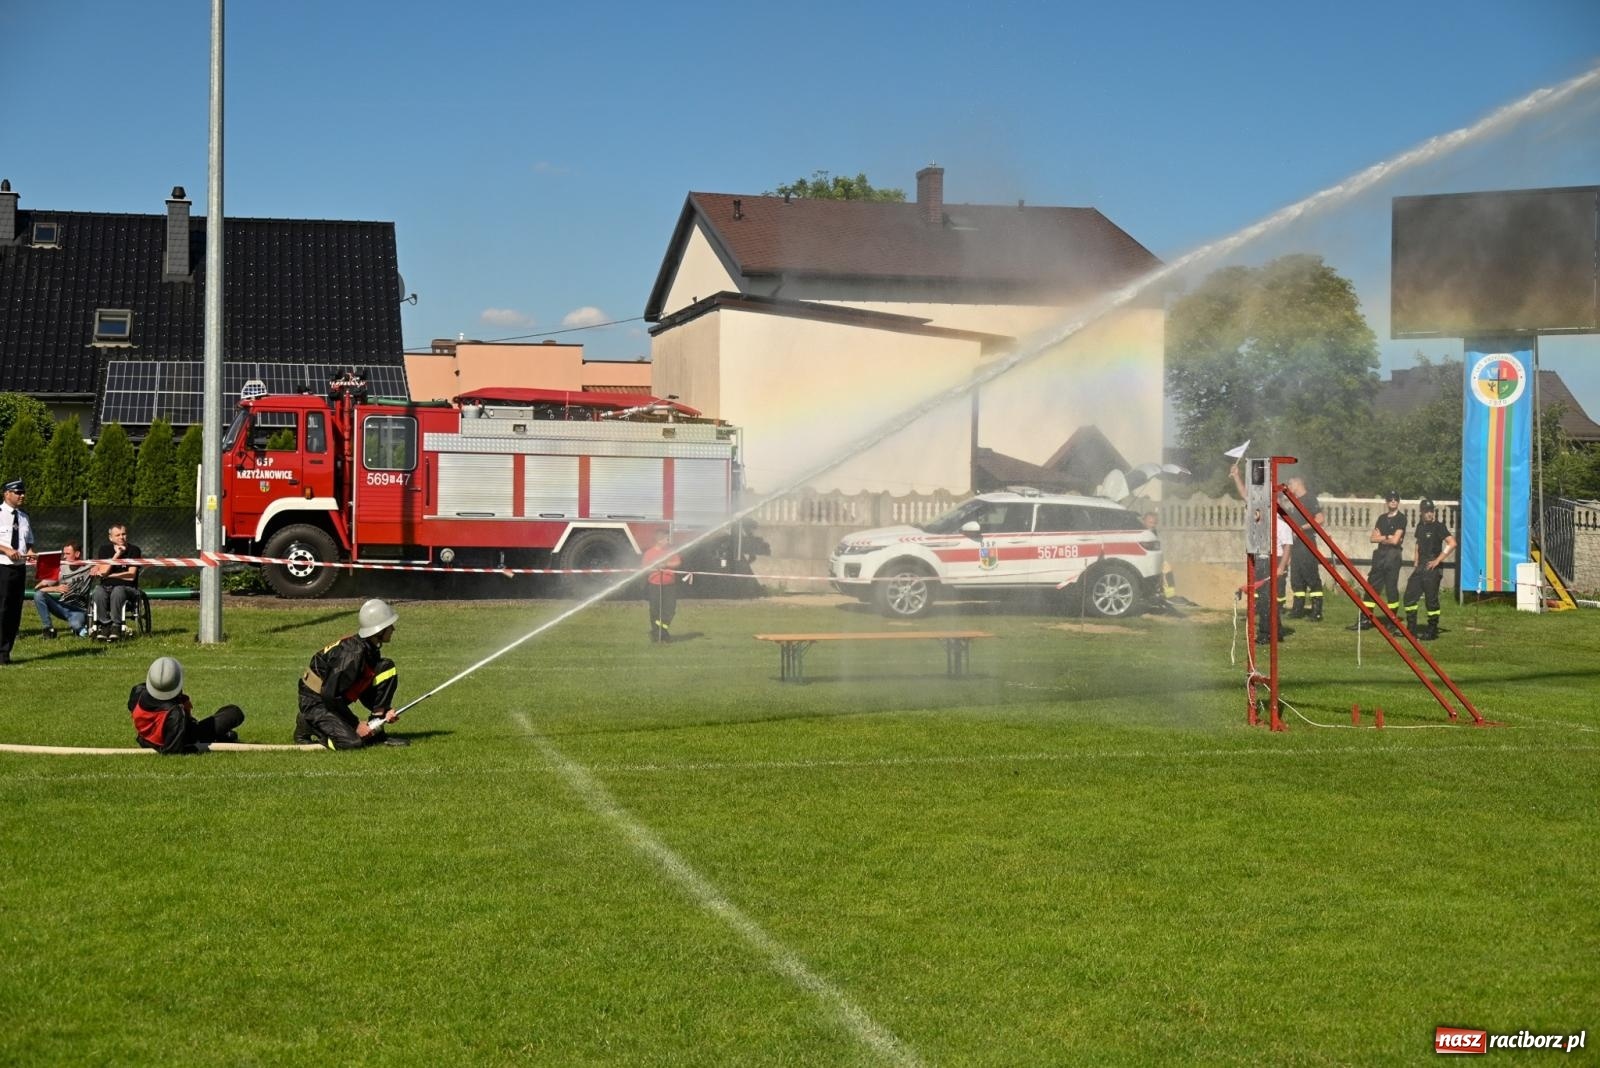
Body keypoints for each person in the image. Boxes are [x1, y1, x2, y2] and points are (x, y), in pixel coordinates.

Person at [295, 598, 409, 748]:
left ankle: (377, 732)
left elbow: (365, 686)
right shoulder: (352, 655)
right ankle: (309, 722)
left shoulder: (369, 647)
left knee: (386, 668)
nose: (393, 629)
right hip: (317, 701)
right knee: (353, 743)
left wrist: (384, 712)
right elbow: (330, 695)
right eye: (390, 626)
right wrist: (356, 725)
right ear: (379, 631)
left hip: (331, 695)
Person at [1230, 462, 1294, 646]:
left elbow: (1288, 545)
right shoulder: (1262, 516)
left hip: (1276, 562)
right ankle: (1277, 631)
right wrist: (1236, 476)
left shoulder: (1282, 523)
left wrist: (1282, 567)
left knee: (1267, 601)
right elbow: (1246, 496)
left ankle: (1266, 633)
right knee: (1266, 600)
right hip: (1262, 560)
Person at [128, 656, 245, 754]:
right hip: (186, 735)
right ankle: (220, 736)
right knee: (234, 713)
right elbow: (172, 750)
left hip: (144, 739)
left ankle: (222, 736)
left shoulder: (138, 691)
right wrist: (196, 747)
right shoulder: (175, 713)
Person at [1351, 491, 1406, 631]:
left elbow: (1396, 541)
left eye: (1395, 499)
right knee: (1371, 588)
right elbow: (1372, 539)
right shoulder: (1381, 518)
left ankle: (1392, 620)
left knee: (1391, 589)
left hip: (1393, 557)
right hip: (1379, 555)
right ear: (1386, 502)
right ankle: (1365, 619)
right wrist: (1387, 536)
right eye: (1390, 499)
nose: (1393, 501)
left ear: (1398, 502)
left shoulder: (1401, 518)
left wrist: (1384, 537)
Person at [1402, 499, 1456, 641]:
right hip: (1420, 566)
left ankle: (1432, 631)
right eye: (1426, 511)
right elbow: (1418, 544)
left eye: (1431, 511)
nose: (1429, 514)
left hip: (1432, 566)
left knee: (1431, 601)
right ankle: (1411, 630)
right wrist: (1416, 561)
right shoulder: (1420, 526)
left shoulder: (1439, 526)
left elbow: (1452, 543)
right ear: (1421, 512)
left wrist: (1438, 560)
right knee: (1409, 597)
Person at [0, 478, 37, 665]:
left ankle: (5, 653)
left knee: (14, 611)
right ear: (6, 493)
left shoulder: (24, 517)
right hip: (2, 568)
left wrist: (30, 552)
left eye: (23, 492)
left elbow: (28, 541)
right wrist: (6, 549)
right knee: (2, 609)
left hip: (19, 569)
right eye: (18, 492)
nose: (22, 495)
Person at [89, 523, 143, 640]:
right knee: (98, 591)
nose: (121, 537)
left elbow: (131, 575)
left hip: (128, 589)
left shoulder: (134, 550)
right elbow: (103, 572)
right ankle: (105, 625)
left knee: (118, 590)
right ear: (111, 538)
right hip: (106, 587)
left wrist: (111, 575)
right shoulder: (104, 550)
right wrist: (117, 555)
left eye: (123, 534)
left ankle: (116, 626)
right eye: (117, 535)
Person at [1284, 476, 1326, 622]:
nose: (1289, 486)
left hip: (1306, 543)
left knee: (1311, 576)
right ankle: (1298, 609)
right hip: (1296, 544)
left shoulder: (1309, 499)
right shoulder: (1295, 502)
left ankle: (1317, 611)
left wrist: (1300, 529)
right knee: (1297, 577)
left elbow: (1320, 519)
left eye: (1290, 483)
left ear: (1298, 484)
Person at [34, 540, 94, 639]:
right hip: (62, 607)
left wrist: (97, 568)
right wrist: (55, 588)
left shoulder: (88, 566)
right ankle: (48, 628)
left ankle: (79, 629)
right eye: (64, 554)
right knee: (38, 595)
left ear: (77, 554)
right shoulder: (61, 568)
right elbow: (38, 589)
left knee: (77, 627)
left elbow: (105, 566)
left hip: (79, 610)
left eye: (67, 554)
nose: (64, 557)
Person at [643, 529, 691, 643]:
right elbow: (645, 567)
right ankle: (658, 635)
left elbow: (677, 562)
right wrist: (655, 566)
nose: (668, 541)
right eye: (666, 539)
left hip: (670, 585)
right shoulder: (649, 553)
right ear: (659, 540)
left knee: (670, 609)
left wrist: (665, 564)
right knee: (655, 610)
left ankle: (662, 631)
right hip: (655, 585)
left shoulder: (670, 551)